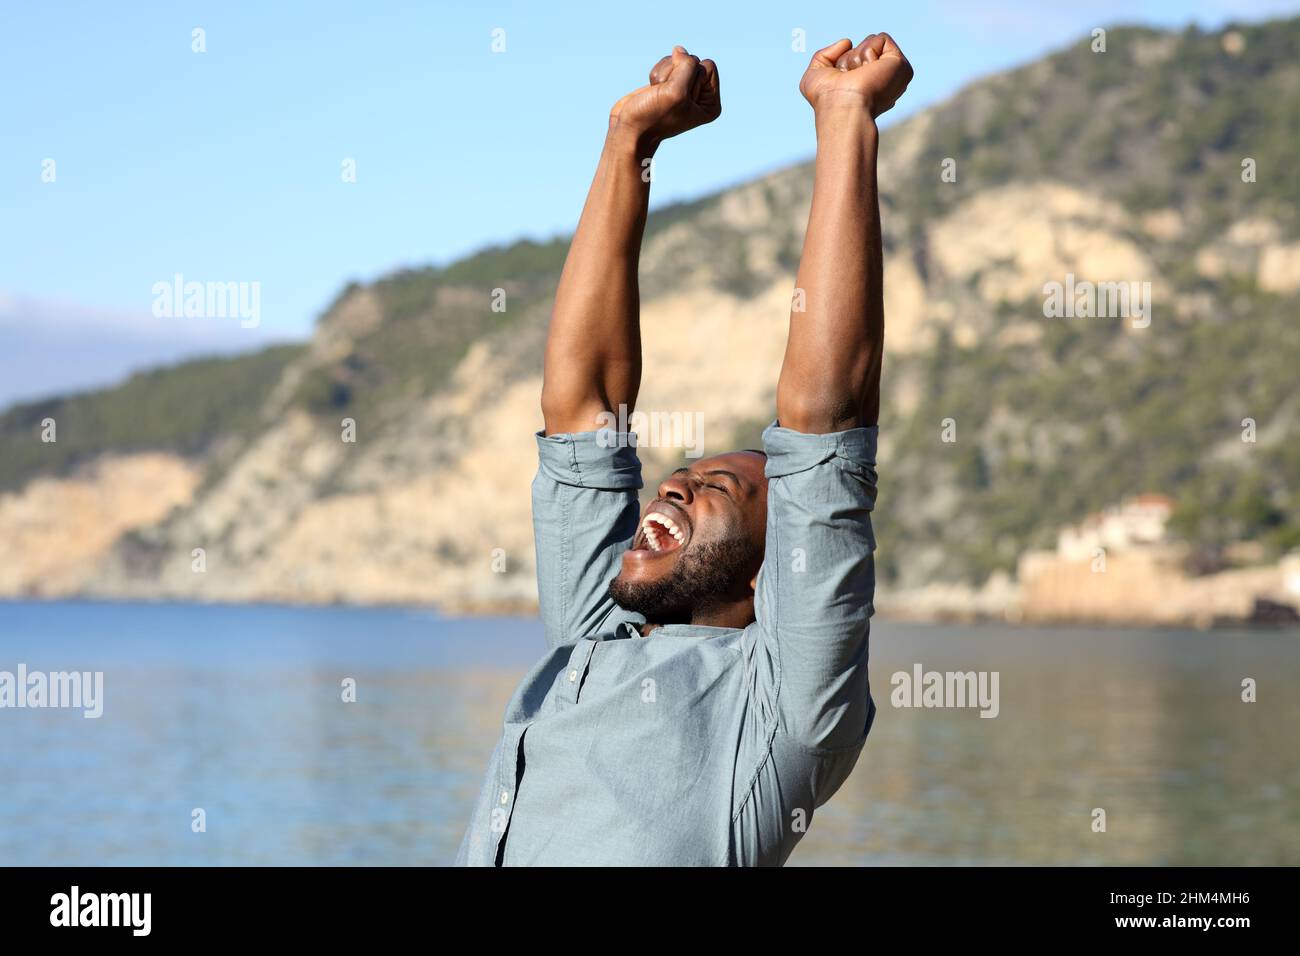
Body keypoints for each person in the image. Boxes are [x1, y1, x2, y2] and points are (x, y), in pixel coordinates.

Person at [456, 33, 913, 866]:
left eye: (718, 492)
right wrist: (629, 140)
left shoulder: (782, 717)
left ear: (776, 572)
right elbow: (584, 406)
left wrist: (846, 120)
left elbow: (826, 425)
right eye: (682, 475)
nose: (673, 487)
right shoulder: (593, 636)